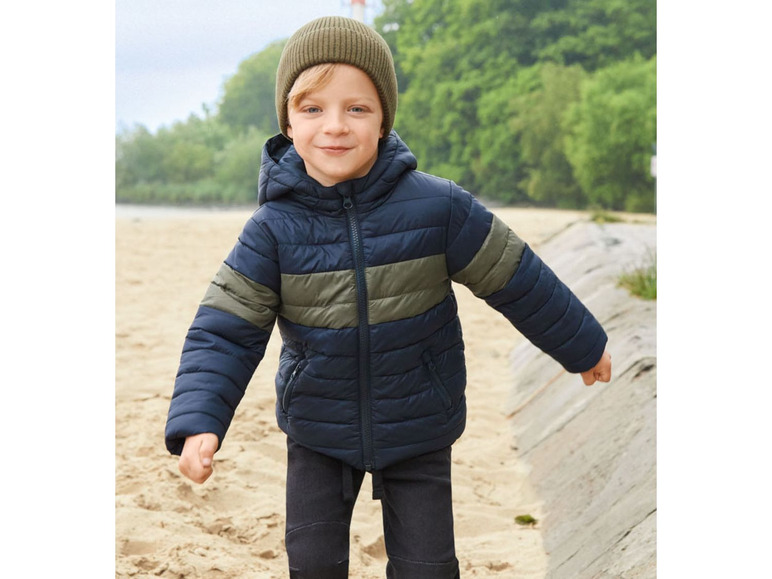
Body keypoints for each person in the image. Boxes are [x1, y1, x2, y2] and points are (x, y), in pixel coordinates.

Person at [165, 15, 612, 579]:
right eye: (313, 108)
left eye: (357, 108)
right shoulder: (272, 230)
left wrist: (582, 345)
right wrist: (200, 420)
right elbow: (225, 331)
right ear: (288, 122)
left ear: (383, 121)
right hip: (318, 425)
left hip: (420, 420)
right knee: (313, 564)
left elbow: (516, 277)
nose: (335, 126)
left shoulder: (437, 208)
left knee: (428, 567)